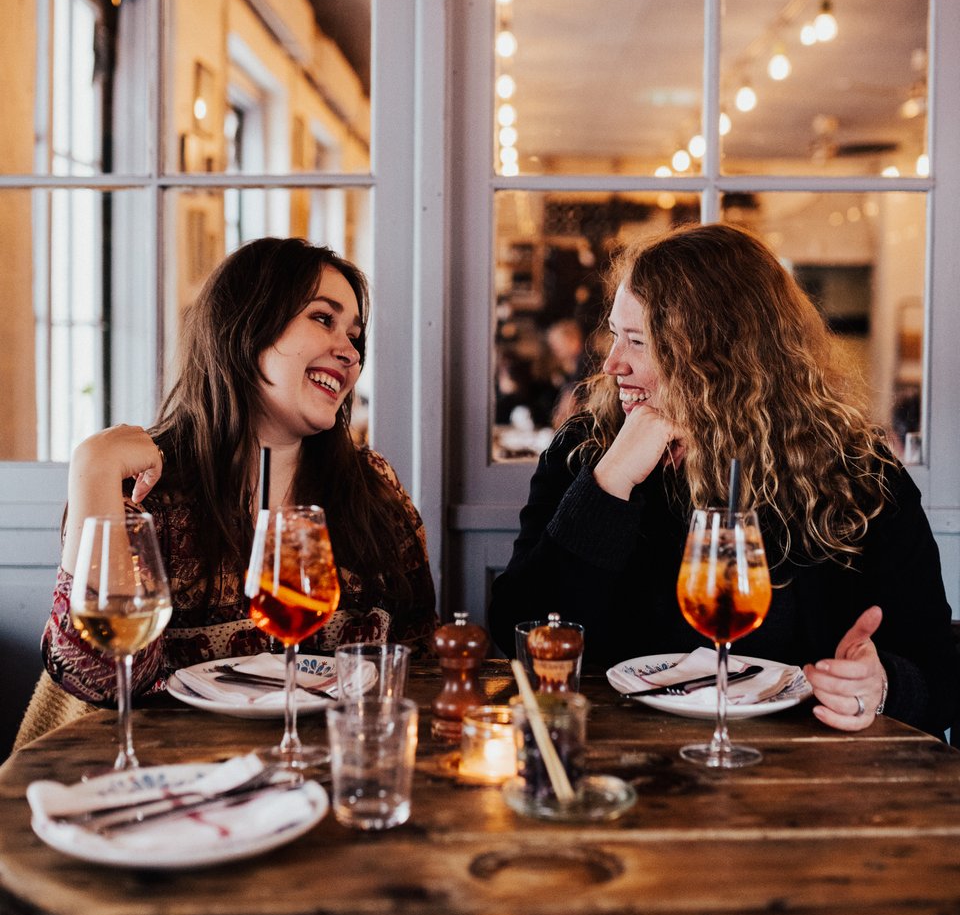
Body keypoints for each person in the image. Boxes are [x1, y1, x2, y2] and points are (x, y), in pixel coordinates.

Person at [488, 222, 957, 738]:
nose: (612, 363)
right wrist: (611, 482)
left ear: (717, 359)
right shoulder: (588, 451)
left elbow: (939, 668)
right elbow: (520, 633)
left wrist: (883, 684)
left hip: (803, 776)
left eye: (638, 341)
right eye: (615, 334)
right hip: (611, 756)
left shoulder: (858, 473)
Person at [42, 237, 437, 708]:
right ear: (247, 326)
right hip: (184, 772)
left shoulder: (374, 486)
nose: (350, 353)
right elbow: (104, 680)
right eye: (323, 318)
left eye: (354, 335)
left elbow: (417, 665)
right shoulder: (145, 491)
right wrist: (92, 466)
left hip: (330, 769)